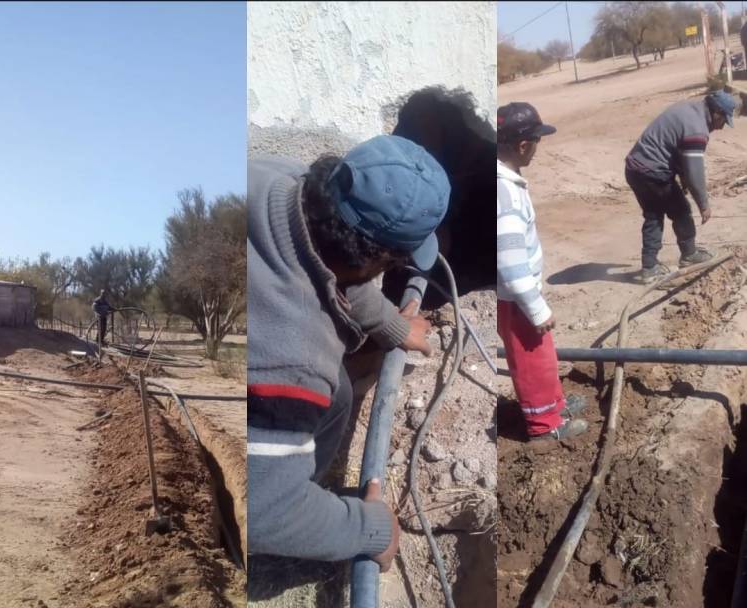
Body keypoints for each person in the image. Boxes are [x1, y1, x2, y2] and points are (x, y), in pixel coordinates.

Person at [247, 134, 450, 568]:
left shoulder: (278, 178)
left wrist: (392, 325)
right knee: (327, 394)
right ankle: (298, 502)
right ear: (378, 261)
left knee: (337, 390)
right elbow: (262, 512)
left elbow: (330, 267)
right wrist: (369, 529)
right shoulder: (295, 361)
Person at [497, 102, 588, 442]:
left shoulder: (507, 182)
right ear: (523, 146)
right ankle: (544, 426)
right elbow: (508, 261)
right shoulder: (504, 194)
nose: (537, 148)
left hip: (521, 294)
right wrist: (535, 307)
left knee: (544, 355)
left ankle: (555, 403)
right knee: (532, 363)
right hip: (518, 298)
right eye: (536, 141)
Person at [625, 90, 737, 282]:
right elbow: (695, 172)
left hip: (635, 168)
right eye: (723, 121)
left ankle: (649, 267)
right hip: (653, 172)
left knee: (653, 214)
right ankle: (689, 255)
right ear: (716, 112)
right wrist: (704, 204)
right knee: (681, 211)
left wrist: (682, 179)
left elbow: (676, 150)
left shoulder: (689, 108)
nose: (721, 128)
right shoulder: (697, 128)